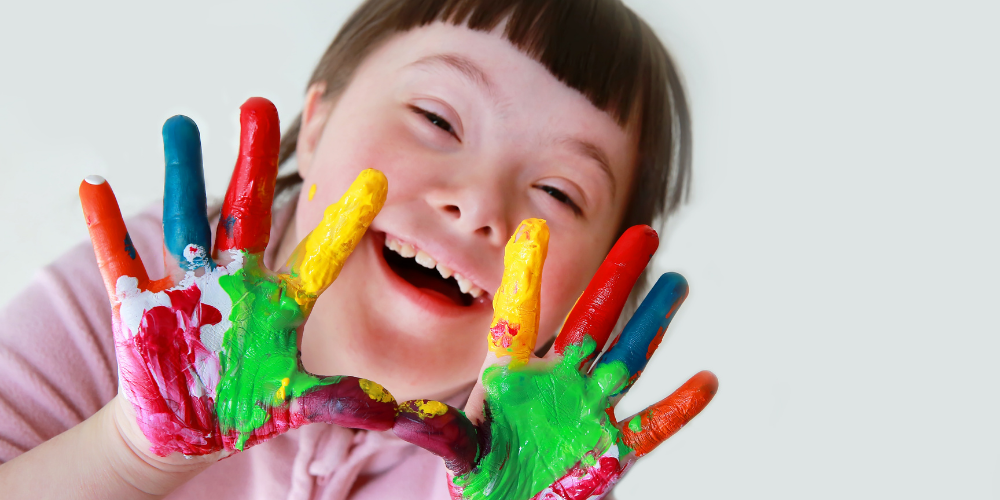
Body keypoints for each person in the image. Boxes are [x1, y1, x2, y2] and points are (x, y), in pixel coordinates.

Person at [0, 0, 715, 498]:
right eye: (437, 118)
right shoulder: (153, 311)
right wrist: (132, 452)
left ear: (598, 285)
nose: (476, 204)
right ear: (316, 125)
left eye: (560, 193)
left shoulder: (536, 462)